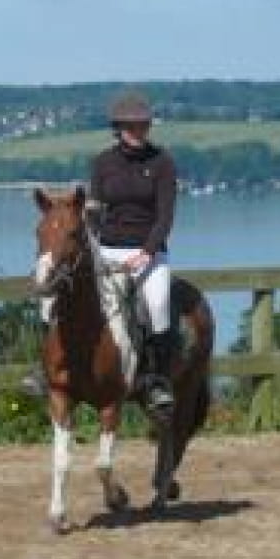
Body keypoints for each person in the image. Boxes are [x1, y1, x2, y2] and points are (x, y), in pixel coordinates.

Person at [88, 89, 179, 410]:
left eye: (143, 126)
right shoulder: (103, 163)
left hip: (148, 252)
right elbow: (95, 210)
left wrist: (147, 252)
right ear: (119, 129)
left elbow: (166, 216)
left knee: (157, 304)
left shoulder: (162, 162)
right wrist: (95, 244)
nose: (138, 132)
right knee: (70, 298)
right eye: (132, 127)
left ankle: (158, 381)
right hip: (109, 250)